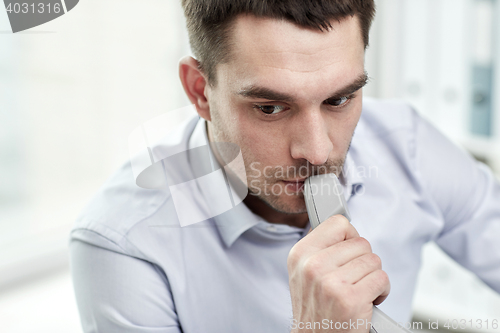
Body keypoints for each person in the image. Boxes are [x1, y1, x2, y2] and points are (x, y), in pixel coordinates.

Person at [69, 1, 500, 332]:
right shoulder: (124, 243)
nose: (316, 151)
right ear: (200, 91)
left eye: (339, 99)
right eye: (271, 107)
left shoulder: (407, 146)